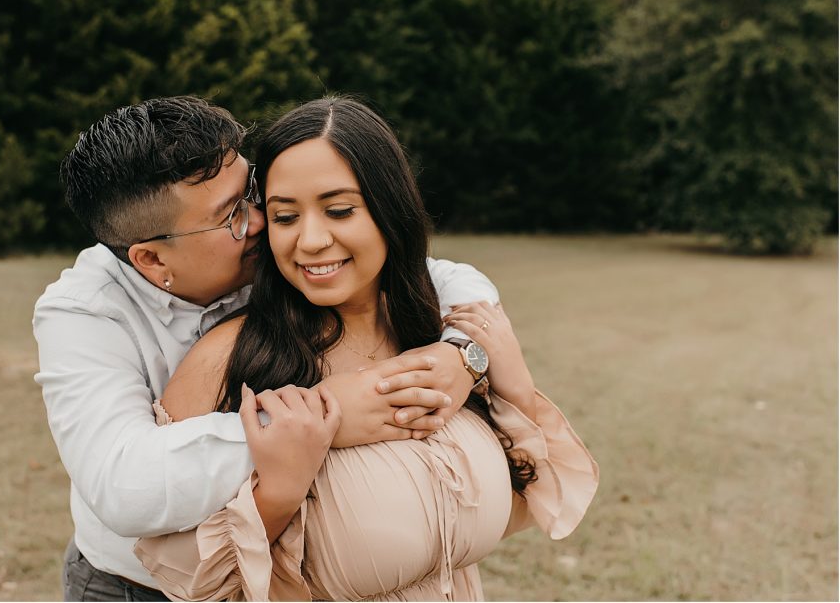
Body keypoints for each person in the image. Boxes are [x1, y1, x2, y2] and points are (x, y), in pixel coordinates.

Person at [33, 96, 505, 601]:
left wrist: (463, 354)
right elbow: (124, 484)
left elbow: (441, 277)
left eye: (251, 191)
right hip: (136, 587)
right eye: (231, 216)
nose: (261, 220)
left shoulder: (273, 253)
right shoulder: (85, 312)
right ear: (152, 259)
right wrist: (319, 420)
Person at [133, 97, 599, 601]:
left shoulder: (441, 331)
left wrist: (513, 388)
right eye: (285, 217)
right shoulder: (230, 361)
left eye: (339, 210)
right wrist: (281, 491)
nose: (310, 240)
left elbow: (521, 501)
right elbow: (184, 581)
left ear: (390, 207)